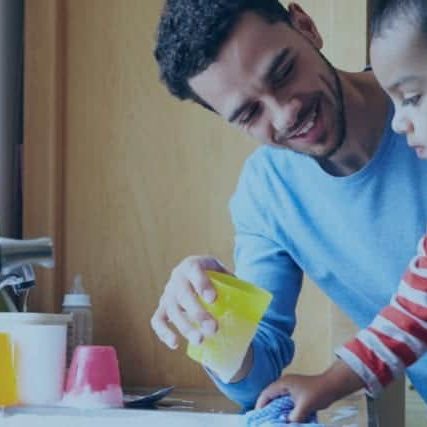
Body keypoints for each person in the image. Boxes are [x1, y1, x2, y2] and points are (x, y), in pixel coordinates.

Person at [151, 0, 427, 412]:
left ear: (305, 26)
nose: (285, 114)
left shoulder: (419, 94)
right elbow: (257, 385)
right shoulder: (266, 195)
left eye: (282, 72)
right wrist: (211, 315)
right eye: (249, 113)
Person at [255, 0, 427, 421]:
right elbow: (407, 319)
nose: (397, 122)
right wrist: (329, 384)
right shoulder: (266, 192)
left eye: (414, 98)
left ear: (305, 27)